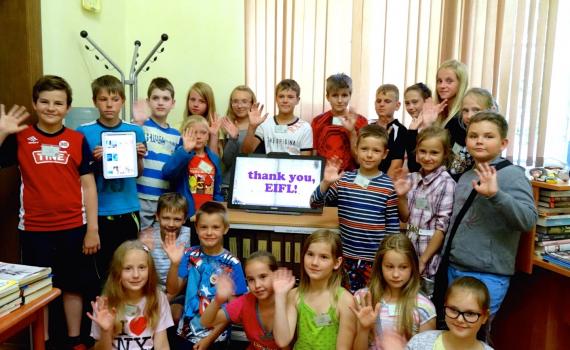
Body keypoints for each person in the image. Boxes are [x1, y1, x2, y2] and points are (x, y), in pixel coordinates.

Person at [0, 76, 99, 350]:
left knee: (73, 286)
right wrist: (2, 132)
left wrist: (92, 229)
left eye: (58, 103)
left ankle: (74, 340)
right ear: (35, 104)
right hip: (33, 229)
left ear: (68, 107)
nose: (51, 107)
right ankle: (39, 343)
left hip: (73, 227)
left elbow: (89, 186)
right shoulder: (20, 137)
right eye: (44, 102)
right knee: (37, 290)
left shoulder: (77, 140)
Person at [442, 112, 537, 317]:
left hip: (488, 275)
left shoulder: (513, 175)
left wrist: (496, 195)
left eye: (488, 136)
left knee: (472, 336)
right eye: (473, 135)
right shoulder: (467, 175)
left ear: (503, 143)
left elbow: (528, 219)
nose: (479, 141)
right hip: (455, 267)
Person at [310, 124, 400, 292]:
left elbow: (392, 227)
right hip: (346, 258)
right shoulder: (344, 180)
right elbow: (315, 203)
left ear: (385, 154)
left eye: (376, 150)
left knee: (371, 299)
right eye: (364, 149)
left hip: (375, 259)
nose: (369, 155)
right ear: (356, 150)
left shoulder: (389, 185)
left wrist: (389, 257)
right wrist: (326, 182)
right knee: (346, 300)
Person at [77, 75, 147, 284]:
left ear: (122, 101)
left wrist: (138, 158)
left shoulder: (135, 131)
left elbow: (138, 173)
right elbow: (79, 176)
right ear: (94, 101)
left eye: (115, 99)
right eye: (103, 99)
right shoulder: (83, 132)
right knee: (100, 269)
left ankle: (127, 314)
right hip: (98, 211)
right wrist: (95, 161)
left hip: (127, 209)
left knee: (128, 266)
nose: (109, 104)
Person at [164, 201, 247, 349]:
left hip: (216, 338)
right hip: (185, 333)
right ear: (196, 228)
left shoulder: (233, 264)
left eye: (215, 227)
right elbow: (172, 290)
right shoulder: (189, 254)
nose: (209, 232)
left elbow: (233, 310)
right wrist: (174, 264)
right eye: (204, 227)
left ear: (225, 228)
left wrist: (210, 338)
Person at [393, 126, 456, 297]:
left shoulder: (446, 183)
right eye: (422, 151)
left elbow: (441, 229)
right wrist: (401, 197)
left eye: (434, 153)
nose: (427, 157)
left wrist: (422, 261)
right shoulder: (412, 178)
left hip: (427, 256)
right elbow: (406, 217)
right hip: (409, 246)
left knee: (422, 303)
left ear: (445, 154)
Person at [272, 230, 356, 349]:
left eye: (324, 257)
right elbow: (282, 341)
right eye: (310, 254)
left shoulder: (345, 300)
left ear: (337, 262)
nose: (314, 263)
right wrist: (280, 297)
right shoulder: (294, 295)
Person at [351, 234, 436, 350]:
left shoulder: (424, 307)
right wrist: (363, 329)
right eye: (389, 267)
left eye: (403, 267)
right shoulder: (363, 298)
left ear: (413, 267)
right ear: (380, 266)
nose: (396, 274)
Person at [88, 240, 173, 349]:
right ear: (117, 272)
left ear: (149, 270)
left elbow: (162, 345)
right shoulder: (104, 304)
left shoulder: (158, 298)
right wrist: (106, 331)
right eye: (128, 268)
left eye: (142, 267)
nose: (136, 275)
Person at [201, 251, 280, 350]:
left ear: (276, 275)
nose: (257, 285)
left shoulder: (289, 300)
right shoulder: (245, 302)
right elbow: (206, 322)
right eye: (251, 280)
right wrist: (218, 299)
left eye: (263, 277)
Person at [137, 77, 182, 229]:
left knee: (159, 244)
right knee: (140, 243)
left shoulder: (176, 135)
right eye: (155, 98)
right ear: (148, 101)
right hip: (140, 196)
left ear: (173, 103)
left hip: (164, 200)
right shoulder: (140, 126)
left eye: (165, 98)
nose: (160, 102)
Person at [162, 115, 223, 219]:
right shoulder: (182, 155)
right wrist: (185, 150)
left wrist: (219, 208)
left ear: (208, 136)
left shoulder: (213, 159)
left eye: (203, 133)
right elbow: (167, 173)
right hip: (185, 214)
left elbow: (217, 189)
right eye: (193, 132)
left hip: (208, 215)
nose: (198, 136)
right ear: (184, 135)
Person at [407, 277, 493, 350]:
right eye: (453, 310)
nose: (460, 319)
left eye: (470, 313)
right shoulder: (420, 343)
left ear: (485, 316)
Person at [312, 73, 368, 171]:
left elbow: (361, 160)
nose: (340, 100)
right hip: (325, 175)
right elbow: (314, 156)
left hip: (350, 177)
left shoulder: (361, 121)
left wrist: (352, 132)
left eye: (344, 95)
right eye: (335, 95)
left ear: (350, 96)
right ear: (327, 97)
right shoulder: (318, 121)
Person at [241, 79, 313, 155]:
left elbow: (305, 161)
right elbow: (246, 152)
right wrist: (252, 126)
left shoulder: (305, 127)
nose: (285, 100)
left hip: (294, 167)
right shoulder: (265, 124)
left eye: (290, 97)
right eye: (281, 96)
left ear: (297, 100)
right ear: (276, 99)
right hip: (268, 166)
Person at [139, 192, 190, 293]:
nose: (171, 224)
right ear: (157, 217)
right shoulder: (148, 236)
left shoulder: (188, 236)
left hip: (177, 289)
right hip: (152, 289)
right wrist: (144, 250)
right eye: (166, 218)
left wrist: (167, 300)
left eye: (177, 219)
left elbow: (185, 277)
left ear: (184, 219)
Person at [446, 88, 497, 180]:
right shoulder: (458, 132)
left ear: (491, 110)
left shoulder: (493, 141)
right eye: (465, 110)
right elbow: (454, 171)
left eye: (476, 110)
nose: (469, 116)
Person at [220, 85, 257, 198]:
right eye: (235, 101)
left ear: (252, 104)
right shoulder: (224, 125)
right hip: (228, 185)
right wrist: (232, 139)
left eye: (244, 101)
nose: (239, 106)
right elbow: (226, 161)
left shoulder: (260, 126)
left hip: (252, 185)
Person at [374, 84, 407, 178]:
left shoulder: (400, 130)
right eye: (378, 101)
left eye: (387, 101)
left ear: (397, 105)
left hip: (383, 182)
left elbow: (396, 165)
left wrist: (383, 187)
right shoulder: (369, 126)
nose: (381, 104)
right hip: (364, 179)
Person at [182, 82, 222, 155]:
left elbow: (215, 161)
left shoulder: (216, 129)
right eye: (192, 99)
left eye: (202, 101)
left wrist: (213, 136)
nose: (196, 104)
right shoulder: (178, 127)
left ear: (209, 104)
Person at [403, 83, 432, 173]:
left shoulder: (432, 127)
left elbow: (415, 166)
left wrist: (412, 131)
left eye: (415, 102)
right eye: (407, 103)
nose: (410, 107)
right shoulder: (414, 125)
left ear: (427, 102)